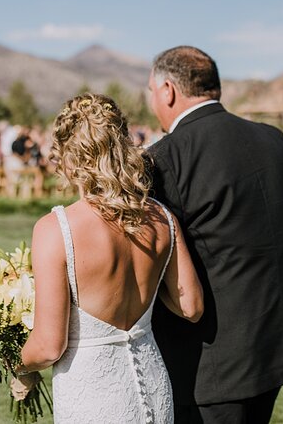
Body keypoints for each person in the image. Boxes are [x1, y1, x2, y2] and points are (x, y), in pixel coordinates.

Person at [146, 46, 283, 424]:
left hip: (208, 363)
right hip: (277, 345)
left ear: (167, 90)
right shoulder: (273, 140)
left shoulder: (164, 158)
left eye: (151, 92)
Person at [14, 94, 203, 423]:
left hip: (93, 399)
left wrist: (19, 366)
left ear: (69, 158)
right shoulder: (162, 218)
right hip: (155, 388)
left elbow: (47, 346)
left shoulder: (56, 230)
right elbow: (192, 307)